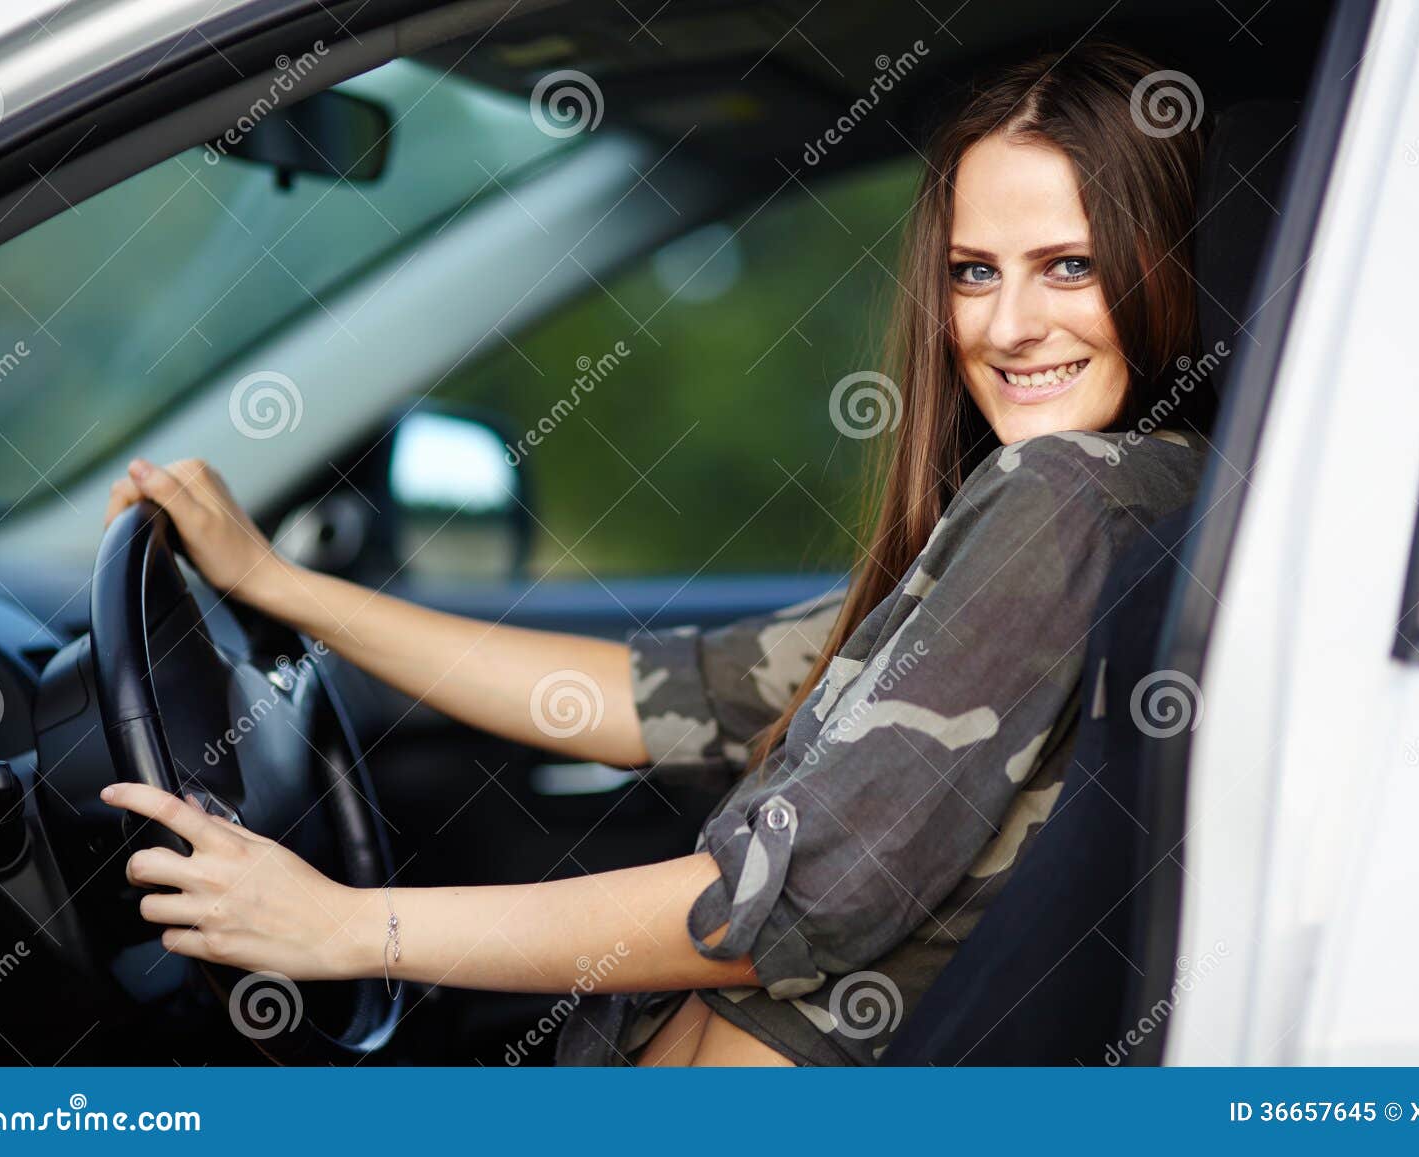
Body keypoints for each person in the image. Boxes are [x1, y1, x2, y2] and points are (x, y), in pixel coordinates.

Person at [99, 40, 1214, 1066]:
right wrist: (277, 582)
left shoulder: (1063, 498)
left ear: (1159, 262)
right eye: (974, 271)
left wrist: (347, 926)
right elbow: (650, 695)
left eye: (1067, 265)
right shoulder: (1140, 496)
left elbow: (764, 910)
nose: (1006, 323)